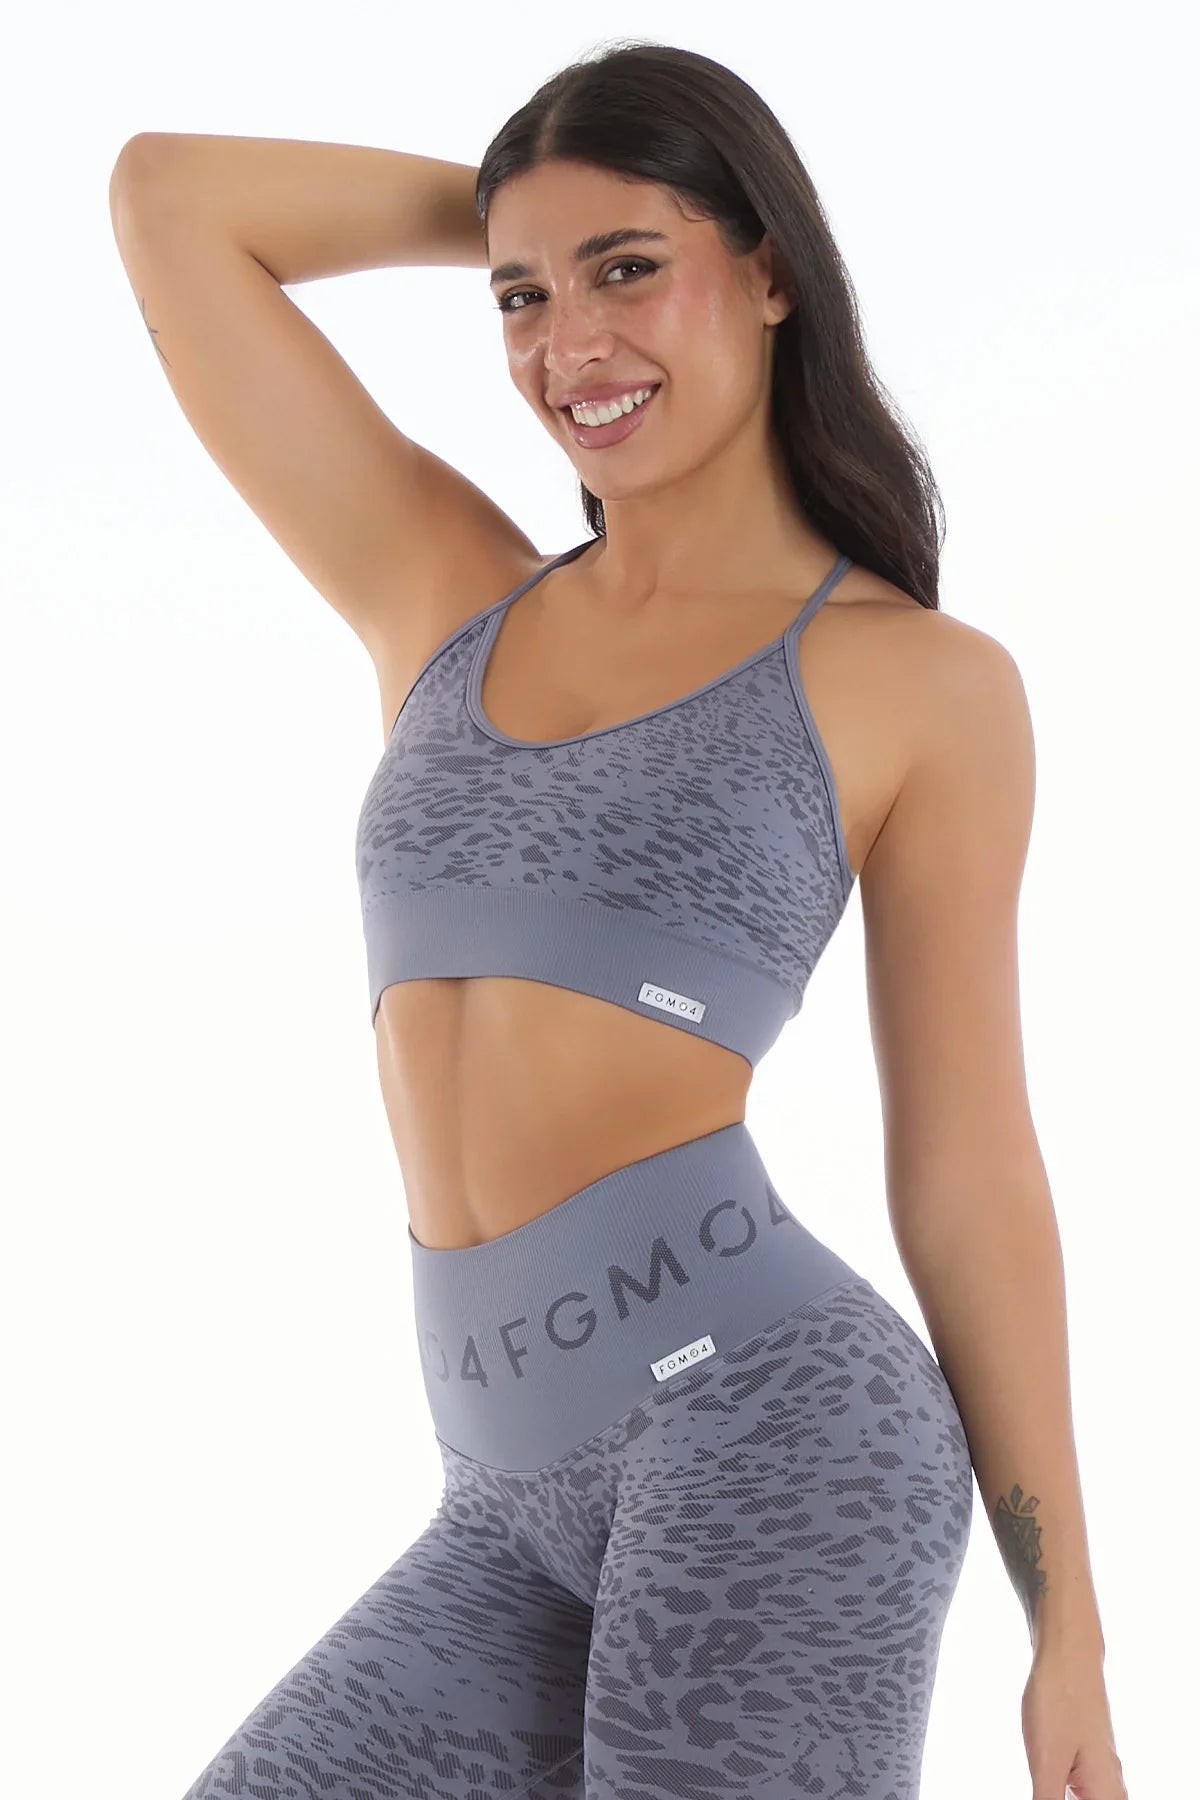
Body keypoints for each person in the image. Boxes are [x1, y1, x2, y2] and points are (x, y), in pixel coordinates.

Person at [109, 40, 1126, 1800]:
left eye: (630, 271)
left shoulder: (917, 683)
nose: (567, 346)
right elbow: (168, 199)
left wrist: (1072, 1624)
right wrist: (528, 213)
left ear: (772, 269)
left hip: (777, 1433)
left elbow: (969, 1165)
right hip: (503, 1496)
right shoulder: (446, 593)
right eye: (523, 298)